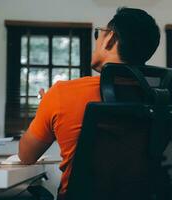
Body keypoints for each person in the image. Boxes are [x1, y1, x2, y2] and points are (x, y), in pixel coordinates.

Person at [18, 7, 160, 198]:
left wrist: (46, 106)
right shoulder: (159, 100)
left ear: (110, 38)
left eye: (97, 34)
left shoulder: (61, 94)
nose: (96, 41)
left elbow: (26, 156)